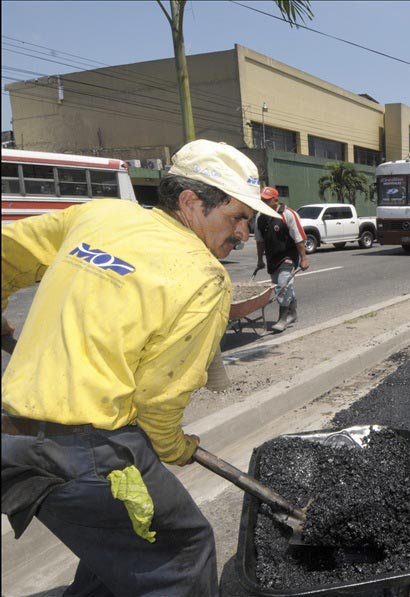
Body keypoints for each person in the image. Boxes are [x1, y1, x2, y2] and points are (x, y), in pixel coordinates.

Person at [1, 139, 281, 596]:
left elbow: (6, 252)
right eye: (237, 218)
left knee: (122, 551)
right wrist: (175, 447)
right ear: (191, 202)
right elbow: (158, 398)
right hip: (89, 455)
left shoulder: (101, 215)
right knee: (181, 553)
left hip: (14, 438)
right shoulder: (204, 278)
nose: (244, 235)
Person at [255, 186, 310, 332]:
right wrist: (260, 260)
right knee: (281, 286)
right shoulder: (260, 217)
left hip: (288, 256)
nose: (264, 202)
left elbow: (299, 238)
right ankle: (292, 313)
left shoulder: (288, 214)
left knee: (282, 286)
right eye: (262, 200)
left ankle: (282, 319)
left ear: (275, 200)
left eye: (267, 200)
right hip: (272, 258)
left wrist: (304, 258)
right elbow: (259, 241)